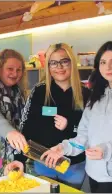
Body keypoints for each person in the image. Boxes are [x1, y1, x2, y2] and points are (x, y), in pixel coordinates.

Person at [41, 40, 112, 193]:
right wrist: (64, 148)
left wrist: (107, 150)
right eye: (103, 62)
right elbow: (83, 137)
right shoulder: (97, 96)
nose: (107, 67)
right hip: (95, 173)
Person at [20, 43, 90, 189]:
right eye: (53, 62)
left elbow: (91, 129)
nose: (59, 67)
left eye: (64, 61)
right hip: (43, 161)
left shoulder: (86, 93)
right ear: (48, 66)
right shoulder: (39, 91)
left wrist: (70, 124)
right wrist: (19, 159)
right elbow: (27, 125)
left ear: (72, 63)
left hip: (74, 164)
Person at [0, 49, 28, 179]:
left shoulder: (17, 89)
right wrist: (10, 132)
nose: (15, 73)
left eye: (19, 70)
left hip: (14, 152)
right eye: (10, 69)